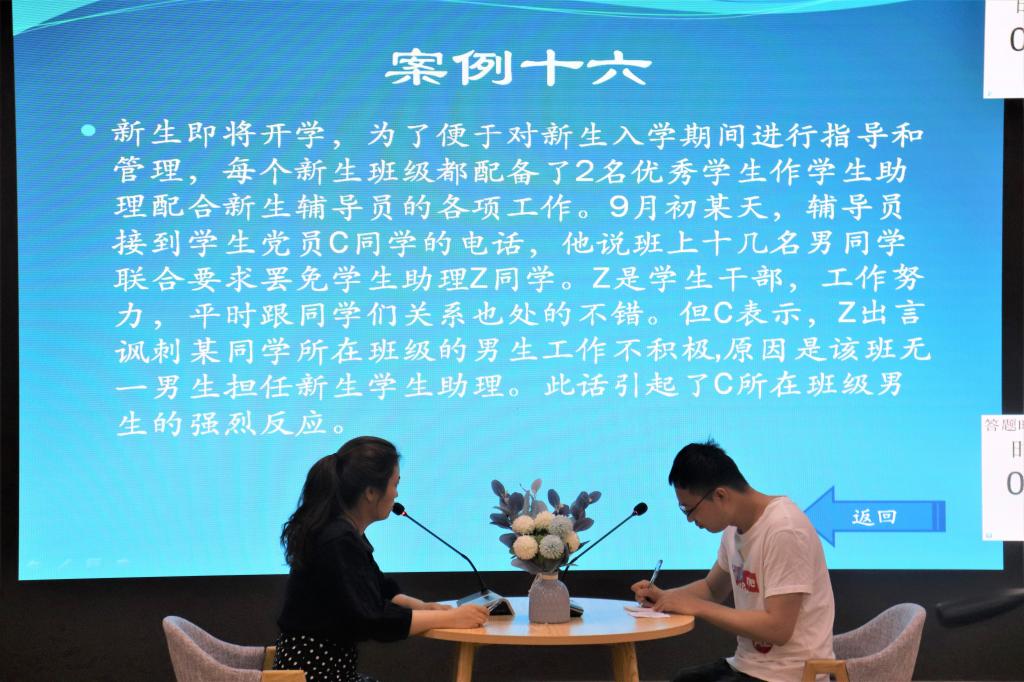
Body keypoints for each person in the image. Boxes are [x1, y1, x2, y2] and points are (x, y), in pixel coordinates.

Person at [275, 436, 489, 682]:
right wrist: (451, 618)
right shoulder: (337, 539)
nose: (396, 494)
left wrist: (422, 606)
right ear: (370, 492)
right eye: (395, 484)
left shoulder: (343, 532)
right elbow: (373, 619)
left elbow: (378, 589)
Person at [632, 440, 834, 682]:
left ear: (720, 495)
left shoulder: (784, 529)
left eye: (689, 509)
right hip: (749, 666)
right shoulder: (733, 530)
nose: (690, 520)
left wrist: (697, 607)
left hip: (791, 674)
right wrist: (664, 597)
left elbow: (778, 629)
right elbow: (712, 588)